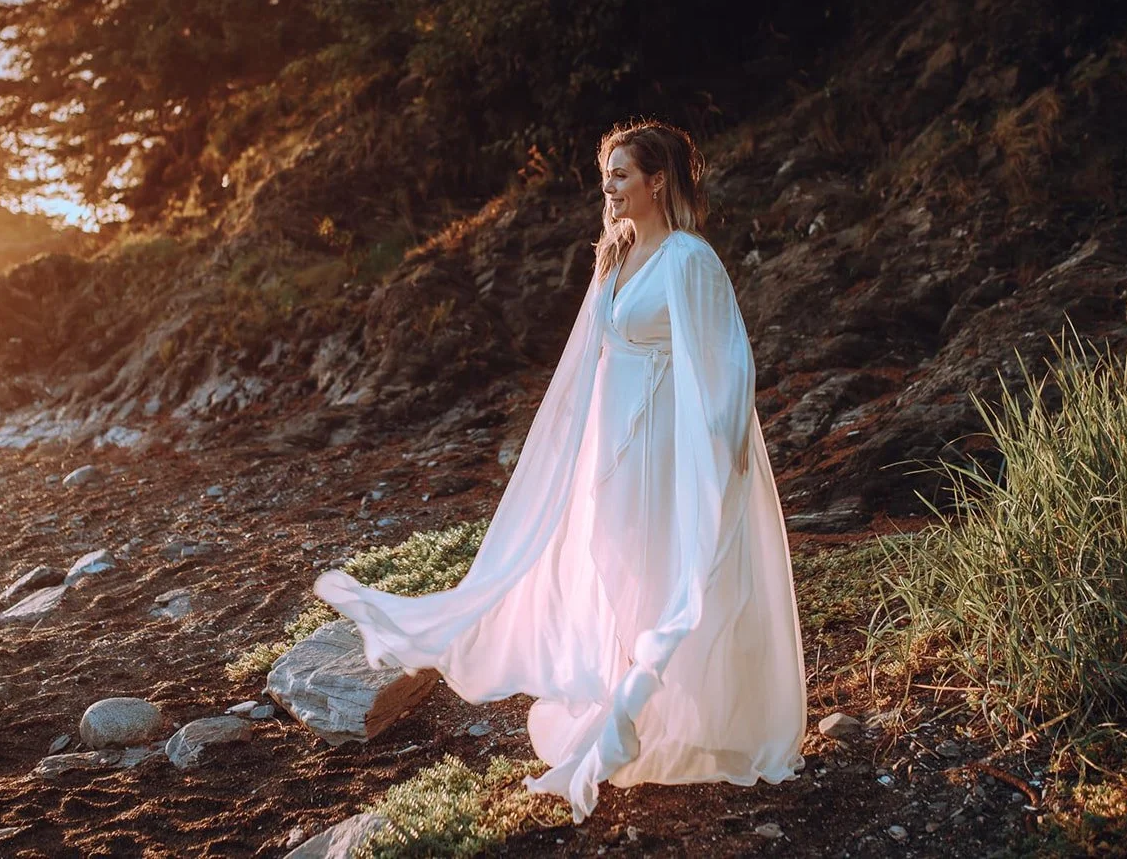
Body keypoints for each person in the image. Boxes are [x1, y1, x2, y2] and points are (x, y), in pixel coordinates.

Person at [313, 119, 807, 824]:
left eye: (620, 174)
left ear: (656, 181)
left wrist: (721, 464)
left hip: (665, 448)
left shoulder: (689, 261)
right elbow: (588, 362)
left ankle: (661, 722)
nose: (607, 187)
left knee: (660, 571)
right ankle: (624, 711)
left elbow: (728, 366)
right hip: (613, 446)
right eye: (606, 173)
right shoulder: (619, 253)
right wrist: (566, 456)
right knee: (611, 567)